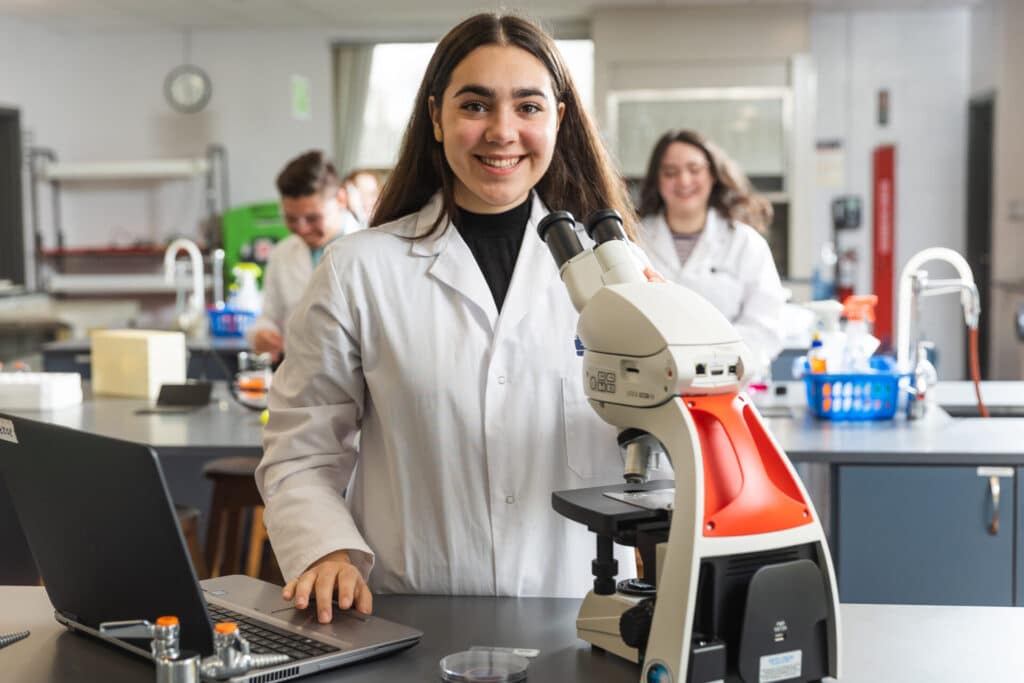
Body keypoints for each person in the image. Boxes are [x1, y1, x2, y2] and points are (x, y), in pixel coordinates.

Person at [256, 12, 646, 623]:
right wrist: (326, 547)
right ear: (436, 117)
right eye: (475, 105)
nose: (502, 130)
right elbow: (301, 445)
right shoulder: (359, 269)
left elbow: (669, 444)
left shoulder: (622, 278)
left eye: (528, 106)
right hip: (411, 611)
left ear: (558, 119)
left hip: (581, 611)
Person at [636, 129, 786, 373]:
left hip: (724, 384)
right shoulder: (634, 240)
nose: (684, 181)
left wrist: (707, 356)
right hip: (650, 382)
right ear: (657, 180)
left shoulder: (745, 243)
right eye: (670, 172)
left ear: (713, 175)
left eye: (694, 170)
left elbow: (766, 328)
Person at [247, 151, 362, 361]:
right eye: (291, 219)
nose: (302, 229)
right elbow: (270, 315)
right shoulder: (283, 253)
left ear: (341, 199)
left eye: (312, 218)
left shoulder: (368, 250)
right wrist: (262, 333)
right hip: (298, 377)